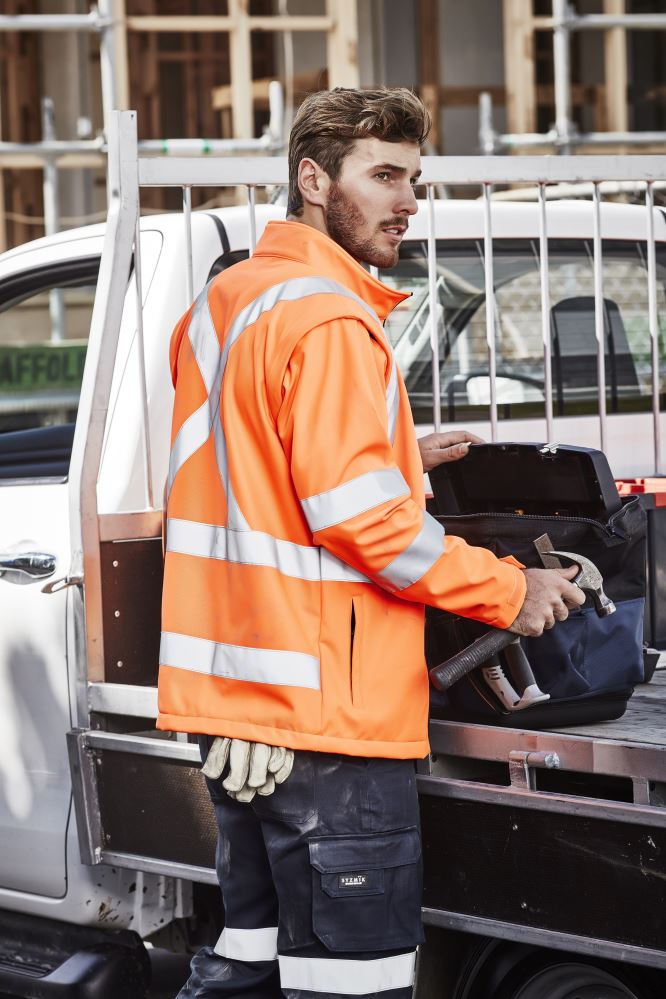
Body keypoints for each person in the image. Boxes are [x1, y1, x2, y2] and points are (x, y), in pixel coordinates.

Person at [158, 87, 584, 999]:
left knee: (248, 963)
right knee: (352, 983)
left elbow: (244, 474)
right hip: (330, 728)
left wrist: (395, 450)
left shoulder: (225, 304)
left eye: (414, 179)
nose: (407, 201)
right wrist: (513, 590)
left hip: (245, 716)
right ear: (313, 180)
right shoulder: (331, 318)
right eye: (384, 176)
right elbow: (368, 526)